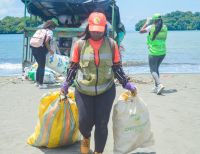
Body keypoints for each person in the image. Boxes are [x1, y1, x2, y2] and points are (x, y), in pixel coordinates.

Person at [61, 12, 137, 154]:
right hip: (83, 91)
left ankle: (98, 152)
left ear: (104, 28)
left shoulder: (112, 44)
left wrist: (126, 83)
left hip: (106, 90)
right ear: (89, 27)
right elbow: (73, 66)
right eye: (94, 29)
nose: (96, 33)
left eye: (99, 30)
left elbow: (116, 67)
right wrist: (66, 84)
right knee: (84, 123)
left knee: (102, 124)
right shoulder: (79, 45)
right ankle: (86, 139)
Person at [140, 13, 168, 95]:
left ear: (154, 20)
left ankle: (159, 84)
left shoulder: (151, 27)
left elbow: (140, 31)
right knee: (156, 69)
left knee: (152, 70)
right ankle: (156, 87)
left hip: (154, 52)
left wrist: (147, 22)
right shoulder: (165, 27)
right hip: (162, 52)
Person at [31, 18, 58, 89]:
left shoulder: (40, 30)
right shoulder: (50, 32)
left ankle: (37, 82)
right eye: (54, 27)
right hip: (40, 49)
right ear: (51, 26)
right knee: (42, 66)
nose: (54, 29)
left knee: (39, 65)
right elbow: (46, 41)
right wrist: (50, 50)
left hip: (33, 48)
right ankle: (41, 84)